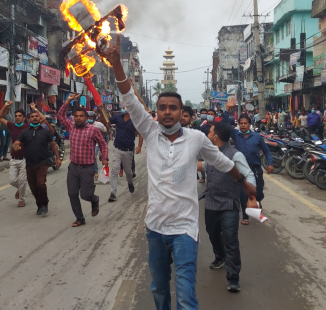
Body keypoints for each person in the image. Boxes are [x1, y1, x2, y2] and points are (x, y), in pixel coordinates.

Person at [106, 34, 257, 309]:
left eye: (172, 108)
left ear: (180, 111)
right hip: (155, 227)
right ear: (157, 112)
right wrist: (117, 65)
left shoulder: (196, 138)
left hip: (185, 229)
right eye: (162, 107)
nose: (166, 112)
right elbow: (129, 98)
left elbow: (221, 162)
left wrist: (244, 182)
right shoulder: (150, 132)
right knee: (159, 289)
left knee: (186, 295)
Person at [199, 122, 256, 292]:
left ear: (215, 137)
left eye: (210, 132)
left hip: (229, 204)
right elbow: (204, 166)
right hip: (210, 202)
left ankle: (233, 278)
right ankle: (219, 256)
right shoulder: (211, 154)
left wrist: (251, 196)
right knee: (212, 232)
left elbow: (249, 175)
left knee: (231, 240)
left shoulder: (236, 155)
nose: (208, 135)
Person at [58, 94, 108, 228]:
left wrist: (104, 158)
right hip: (73, 167)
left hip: (87, 167)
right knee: (72, 193)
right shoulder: (71, 127)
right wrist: (67, 101)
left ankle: (94, 200)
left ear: (86, 118)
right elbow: (60, 116)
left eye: (81, 116)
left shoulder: (93, 130)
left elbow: (103, 143)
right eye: (76, 116)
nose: (78, 118)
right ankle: (80, 218)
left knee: (86, 195)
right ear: (74, 117)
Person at [227, 113, 274, 225]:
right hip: (242, 171)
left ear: (250, 125)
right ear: (238, 125)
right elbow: (225, 123)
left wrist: (270, 164)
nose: (243, 125)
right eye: (241, 123)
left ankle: (257, 200)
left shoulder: (257, 137)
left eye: (245, 123)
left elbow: (266, 151)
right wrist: (227, 110)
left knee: (258, 193)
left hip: (256, 169)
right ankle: (245, 216)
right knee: (244, 194)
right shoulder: (235, 135)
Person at [11, 108, 60, 216]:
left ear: (39, 118)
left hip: (42, 163)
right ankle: (39, 205)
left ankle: (45, 204)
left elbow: (53, 145)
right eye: (32, 117)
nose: (34, 118)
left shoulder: (45, 132)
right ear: (28, 120)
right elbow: (16, 143)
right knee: (33, 187)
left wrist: (57, 158)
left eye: (36, 116)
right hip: (29, 164)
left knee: (41, 184)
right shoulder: (25, 132)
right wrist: (15, 147)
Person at [107, 107, 143, 202]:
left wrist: (139, 146)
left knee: (128, 172)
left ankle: (130, 182)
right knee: (115, 170)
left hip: (128, 150)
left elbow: (141, 132)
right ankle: (113, 193)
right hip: (117, 149)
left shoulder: (135, 120)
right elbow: (107, 121)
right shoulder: (118, 117)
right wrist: (101, 111)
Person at [0, 103, 29, 208]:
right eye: (16, 116)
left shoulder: (28, 126)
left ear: (24, 118)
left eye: (20, 116)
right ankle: (20, 189)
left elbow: (42, 120)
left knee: (23, 181)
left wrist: (34, 109)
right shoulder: (12, 125)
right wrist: (4, 105)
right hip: (14, 158)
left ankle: (21, 200)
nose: (17, 118)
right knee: (12, 180)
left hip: (25, 158)